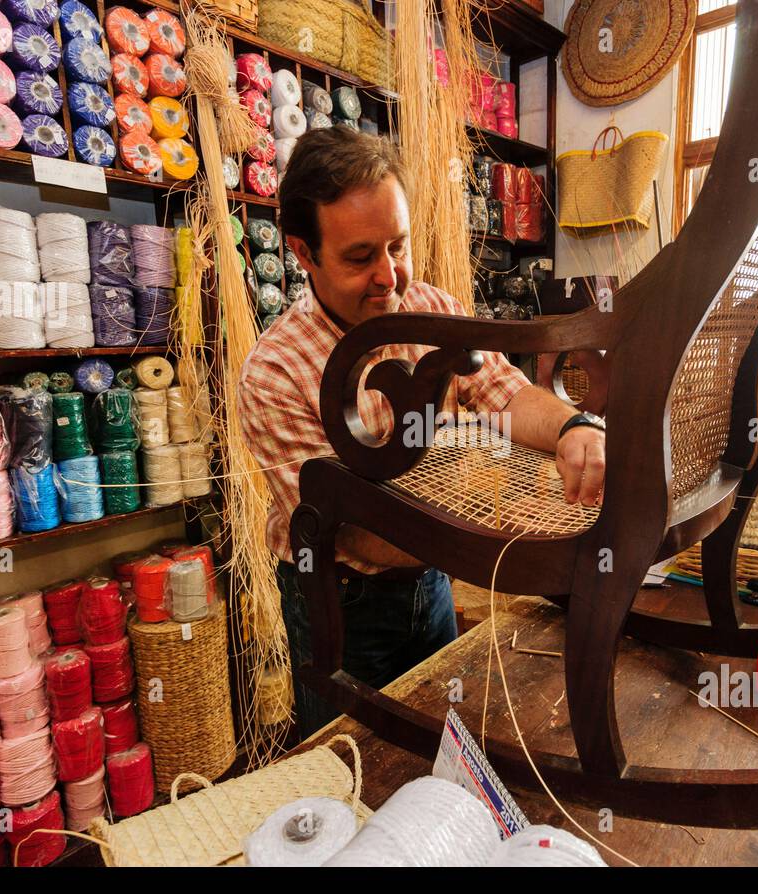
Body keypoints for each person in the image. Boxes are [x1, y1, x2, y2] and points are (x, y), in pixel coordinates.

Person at [237, 126, 606, 740]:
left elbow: (505, 393)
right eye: (360, 258)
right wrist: (497, 528)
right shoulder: (275, 373)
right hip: (342, 603)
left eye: (398, 246)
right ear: (303, 253)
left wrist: (573, 427)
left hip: (430, 579)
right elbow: (350, 532)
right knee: (351, 763)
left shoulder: (433, 310)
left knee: (438, 736)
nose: (389, 277)